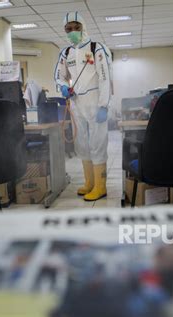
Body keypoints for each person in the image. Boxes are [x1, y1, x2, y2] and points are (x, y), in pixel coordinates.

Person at [54, 11, 112, 201]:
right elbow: (59, 76)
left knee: (97, 144)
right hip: (77, 104)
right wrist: (63, 88)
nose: (72, 32)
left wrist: (104, 105)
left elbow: (105, 78)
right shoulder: (66, 53)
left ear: (83, 27)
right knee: (82, 144)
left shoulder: (97, 48)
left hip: (96, 103)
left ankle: (100, 186)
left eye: (76, 27)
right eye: (68, 29)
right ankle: (89, 183)